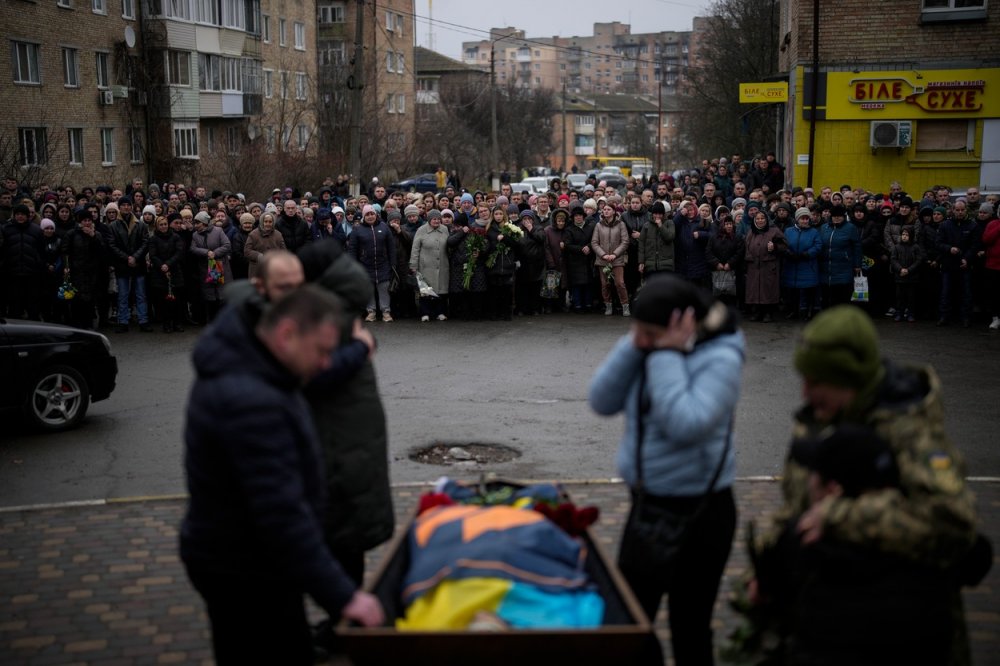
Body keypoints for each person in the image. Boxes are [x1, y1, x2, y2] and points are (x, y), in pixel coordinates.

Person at [755, 305, 978, 665]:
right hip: (823, 626)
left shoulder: (910, 428)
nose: (805, 393)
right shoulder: (816, 421)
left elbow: (952, 521)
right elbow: (795, 508)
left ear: (851, 379)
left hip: (903, 634)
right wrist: (769, 566)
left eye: (817, 381)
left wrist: (838, 514)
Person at [181, 285, 384, 666]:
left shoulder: (259, 366)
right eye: (322, 351)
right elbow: (280, 515)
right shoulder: (250, 400)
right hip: (244, 569)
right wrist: (345, 597)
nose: (327, 363)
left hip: (247, 559)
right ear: (287, 333)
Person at [589, 274, 745, 666]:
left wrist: (666, 355)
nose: (639, 338)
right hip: (648, 504)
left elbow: (686, 424)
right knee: (628, 621)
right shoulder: (646, 344)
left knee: (689, 626)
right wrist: (638, 343)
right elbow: (602, 400)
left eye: (647, 332)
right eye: (635, 329)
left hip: (702, 513)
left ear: (682, 325)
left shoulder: (722, 356)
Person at [349, 204, 396, 322]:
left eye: (372, 214)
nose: (370, 216)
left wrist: (393, 264)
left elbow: (391, 248)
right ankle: (371, 312)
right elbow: (353, 249)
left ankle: (386, 311)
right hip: (365, 265)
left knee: (384, 288)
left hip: (383, 264)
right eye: (367, 215)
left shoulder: (384, 227)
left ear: (376, 215)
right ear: (363, 216)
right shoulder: (357, 230)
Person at [409, 204, 450, 321]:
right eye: (434, 219)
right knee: (426, 291)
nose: (436, 221)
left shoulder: (445, 229)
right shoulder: (421, 230)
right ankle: (425, 313)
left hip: (442, 265)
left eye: (438, 219)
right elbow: (415, 249)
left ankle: (440, 312)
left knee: (441, 291)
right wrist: (413, 265)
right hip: (426, 266)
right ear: (429, 220)